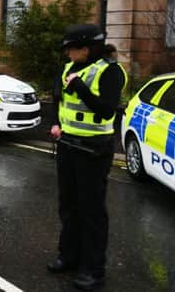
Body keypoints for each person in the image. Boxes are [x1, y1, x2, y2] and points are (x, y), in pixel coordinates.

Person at [48, 24, 127, 290]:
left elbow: (106, 111)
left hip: (94, 149)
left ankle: (93, 270)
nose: (67, 54)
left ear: (86, 49)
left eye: (71, 49)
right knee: (68, 205)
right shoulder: (68, 68)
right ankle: (68, 257)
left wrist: (81, 87)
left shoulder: (111, 72)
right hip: (68, 145)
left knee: (91, 210)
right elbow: (59, 100)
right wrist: (55, 123)